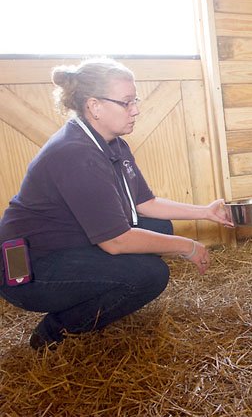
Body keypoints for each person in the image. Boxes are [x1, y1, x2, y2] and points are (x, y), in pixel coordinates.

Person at [0, 57, 234, 350]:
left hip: (60, 244)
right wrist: (187, 246)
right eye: (126, 103)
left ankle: (93, 298)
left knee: (157, 226)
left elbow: (145, 203)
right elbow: (116, 242)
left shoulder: (112, 143)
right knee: (150, 275)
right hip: (24, 269)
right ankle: (53, 332)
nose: (135, 110)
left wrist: (205, 212)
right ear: (94, 106)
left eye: (135, 100)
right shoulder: (76, 154)